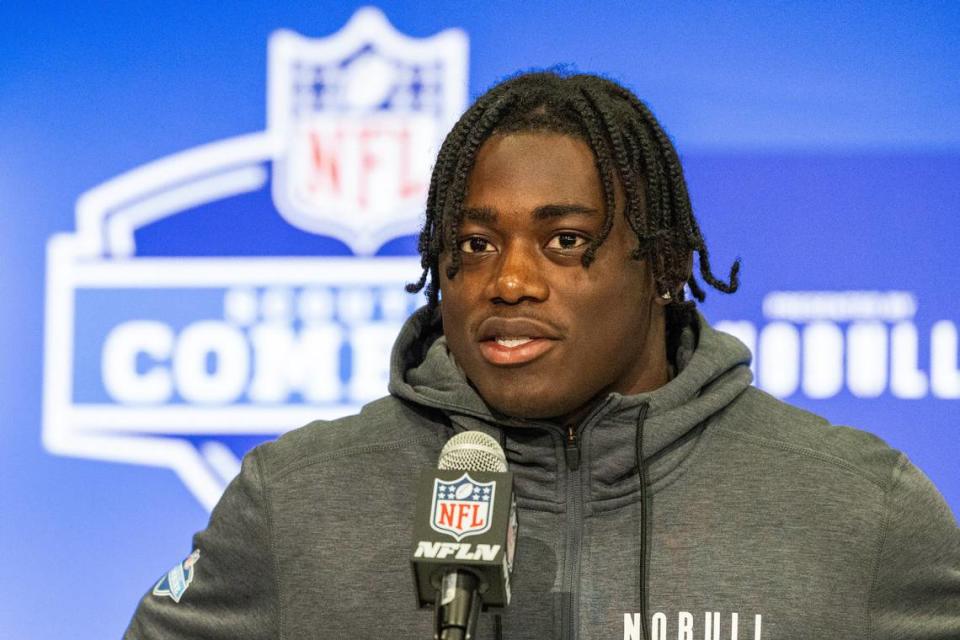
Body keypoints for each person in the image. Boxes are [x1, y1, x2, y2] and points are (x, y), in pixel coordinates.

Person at [125, 71, 960, 640]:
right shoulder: (297, 502)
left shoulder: (857, 509)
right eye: (475, 243)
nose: (510, 280)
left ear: (664, 265)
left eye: (564, 241)